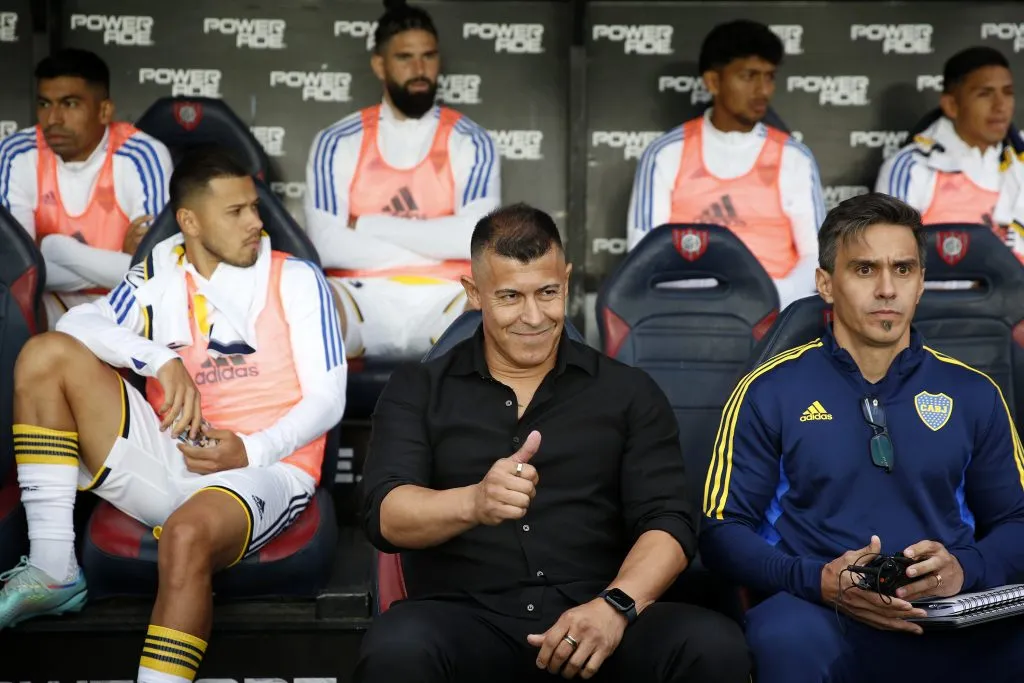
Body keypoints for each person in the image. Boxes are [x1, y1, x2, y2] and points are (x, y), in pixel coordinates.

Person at [357, 202, 750, 683]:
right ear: (474, 293)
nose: (533, 316)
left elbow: (669, 524)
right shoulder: (417, 389)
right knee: (396, 649)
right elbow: (386, 515)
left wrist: (615, 607)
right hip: (466, 621)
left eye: (547, 292)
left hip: (599, 620)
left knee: (711, 645)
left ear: (566, 280)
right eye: (509, 296)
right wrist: (474, 502)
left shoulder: (628, 392)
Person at [0, 147, 347, 683]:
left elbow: (329, 399)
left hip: (266, 467)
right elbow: (79, 325)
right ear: (190, 221)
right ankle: (53, 565)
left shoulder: (296, 277)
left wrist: (251, 449)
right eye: (236, 212)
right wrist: (160, 359)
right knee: (45, 355)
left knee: (186, 535)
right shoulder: (159, 273)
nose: (256, 223)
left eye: (255, 207)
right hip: (172, 454)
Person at [700, 193, 1024, 683]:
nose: (887, 289)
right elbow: (721, 531)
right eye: (865, 270)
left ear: (921, 283)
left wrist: (965, 568)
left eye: (903, 269)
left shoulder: (974, 393)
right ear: (826, 284)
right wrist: (818, 580)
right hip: (821, 612)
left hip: (945, 613)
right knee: (785, 638)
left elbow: (1016, 521)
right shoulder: (769, 391)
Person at [304, 0, 500, 359]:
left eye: (428, 56)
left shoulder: (472, 140)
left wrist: (367, 225)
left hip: (448, 295)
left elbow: (475, 240)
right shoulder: (337, 141)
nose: (419, 69)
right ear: (379, 64)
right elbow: (326, 244)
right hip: (359, 294)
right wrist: (439, 241)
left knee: (492, 319)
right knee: (310, 307)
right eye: (405, 58)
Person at [627, 19, 825, 310]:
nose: (763, 90)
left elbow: (818, 255)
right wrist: (712, 298)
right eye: (749, 76)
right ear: (713, 82)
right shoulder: (666, 153)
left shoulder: (794, 157)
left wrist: (770, 298)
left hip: (776, 316)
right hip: (689, 314)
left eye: (769, 77)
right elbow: (643, 254)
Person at [0, 49, 174, 329]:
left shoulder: (141, 155)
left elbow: (153, 271)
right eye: (44, 104)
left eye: (69, 104)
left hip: (125, 309)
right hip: (48, 308)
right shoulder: (18, 153)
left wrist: (52, 251)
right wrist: (121, 262)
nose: (53, 118)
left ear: (104, 111)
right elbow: (17, 272)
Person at [876, 47, 1024, 262]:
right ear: (952, 105)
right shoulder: (913, 167)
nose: (1000, 106)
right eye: (985, 94)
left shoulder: (1019, 164)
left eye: (1008, 93)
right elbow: (889, 261)